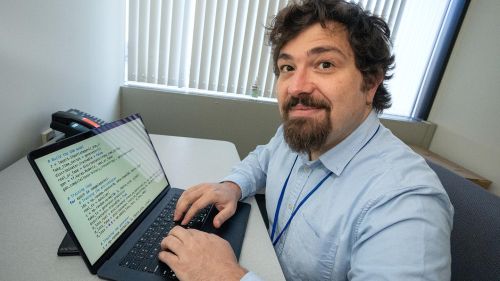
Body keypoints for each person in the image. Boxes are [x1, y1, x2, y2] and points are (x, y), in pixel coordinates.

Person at [158, 0, 454, 280]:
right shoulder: (300, 135)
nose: (297, 87)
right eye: (287, 68)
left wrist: (226, 276)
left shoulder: (406, 204)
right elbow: (264, 159)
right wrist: (232, 186)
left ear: (371, 82)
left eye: (324, 64)